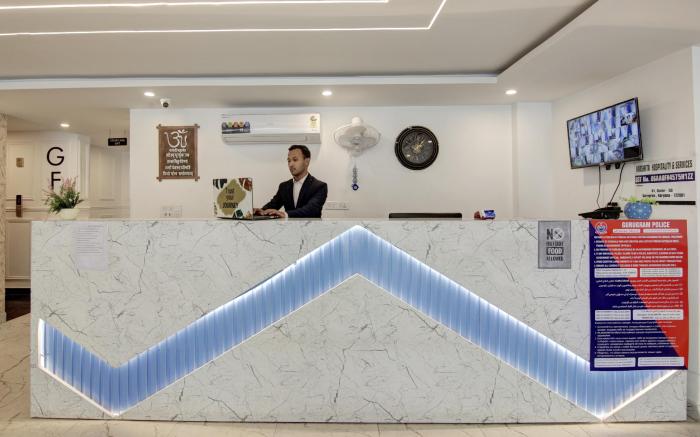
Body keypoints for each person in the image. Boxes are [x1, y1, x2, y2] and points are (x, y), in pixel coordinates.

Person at [254, 145, 328, 218]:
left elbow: (311, 209)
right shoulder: (284, 186)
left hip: (311, 226)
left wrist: (285, 214)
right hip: (289, 226)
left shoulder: (319, 186)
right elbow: (273, 205)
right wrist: (261, 211)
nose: (290, 164)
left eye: (295, 160)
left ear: (306, 162)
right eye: (289, 161)